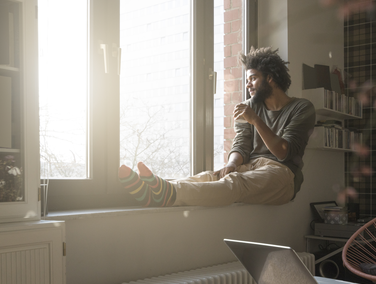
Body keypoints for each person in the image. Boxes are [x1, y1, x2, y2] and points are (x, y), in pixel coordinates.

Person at [118, 47, 316, 207]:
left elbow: (284, 152)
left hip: (282, 174)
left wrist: (256, 120)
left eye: (253, 78)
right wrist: (231, 163)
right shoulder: (249, 107)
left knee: (234, 183)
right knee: (212, 177)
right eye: (246, 80)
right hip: (252, 166)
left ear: (270, 78)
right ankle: (153, 190)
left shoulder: (301, 107)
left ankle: (168, 194)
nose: (248, 85)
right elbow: (241, 145)